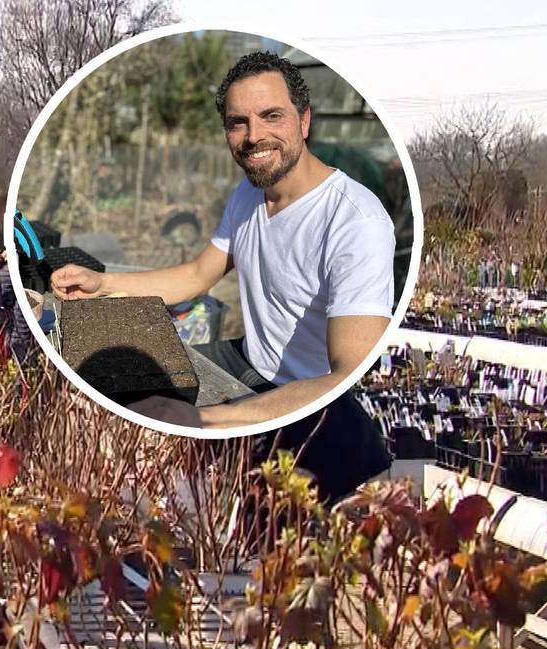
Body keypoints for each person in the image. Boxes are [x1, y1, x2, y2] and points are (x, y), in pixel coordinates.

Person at [50, 51, 393, 498]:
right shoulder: (249, 194)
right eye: (238, 123)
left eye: (272, 116)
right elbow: (197, 275)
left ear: (304, 121)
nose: (254, 136)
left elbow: (343, 376)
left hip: (310, 404)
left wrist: (204, 420)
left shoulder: (355, 220)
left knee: (230, 501)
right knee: (126, 387)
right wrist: (104, 283)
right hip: (248, 361)